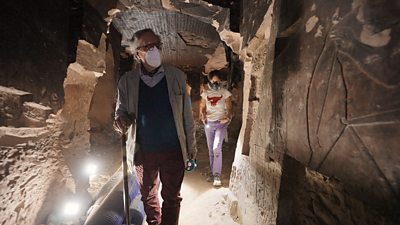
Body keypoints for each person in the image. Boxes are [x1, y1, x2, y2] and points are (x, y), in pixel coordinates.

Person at [114, 28, 197, 225]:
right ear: (137, 53)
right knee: (148, 196)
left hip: (174, 149)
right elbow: (120, 111)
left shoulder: (176, 77)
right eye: (148, 46)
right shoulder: (127, 81)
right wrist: (120, 122)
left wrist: (191, 151)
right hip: (144, 151)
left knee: (172, 197)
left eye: (157, 45)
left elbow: (187, 116)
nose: (154, 50)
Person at [199, 70, 232, 187]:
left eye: (218, 82)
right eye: (214, 81)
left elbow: (229, 108)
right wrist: (202, 114)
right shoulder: (206, 94)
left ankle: (217, 175)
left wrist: (227, 117)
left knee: (216, 148)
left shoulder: (225, 93)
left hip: (220, 124)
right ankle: (213, 174)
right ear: (210, 81)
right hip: (209, 124)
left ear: (221, 82)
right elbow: (202, 106)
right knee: (211, 150)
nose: (215, 84)